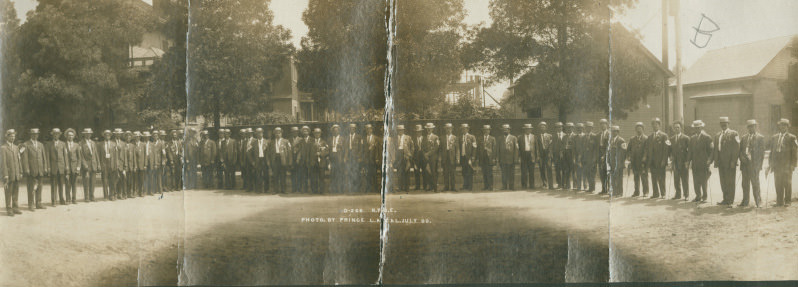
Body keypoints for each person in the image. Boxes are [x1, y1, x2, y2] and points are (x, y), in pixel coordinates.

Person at [767, 119, 796, 207]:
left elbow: (794, 153)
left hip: (787, 165)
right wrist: (770, 163)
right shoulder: (774, 137)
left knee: (787, 183)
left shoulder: (792, 137)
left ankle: (787, 201)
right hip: (777, 165)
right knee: (778, 183)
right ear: (779, 126)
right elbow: (772, 151)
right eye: (781, 125)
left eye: (785, 125)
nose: (783, 127)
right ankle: (779, 201)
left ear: (787, 126)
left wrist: (793, 165)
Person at [714, 116, 740, 206]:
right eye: (722, 123)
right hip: (721, 162)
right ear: (720, 124)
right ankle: (725, 199)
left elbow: (736, 148)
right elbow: (716, 149)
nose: (723, 125)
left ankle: (730, 200)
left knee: (730, 181)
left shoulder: (734, 133)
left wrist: (733, 161)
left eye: (725, 123)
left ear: (728, 123)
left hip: (730, 163)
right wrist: (716, 161)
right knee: (723, 181)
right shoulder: (717, 135)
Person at [739, 119, 765, 207]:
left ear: (756, 127)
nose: (751, 128)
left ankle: (758, 202)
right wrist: (742, 158)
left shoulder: (760, 138)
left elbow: (762, 154)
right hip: (745, 165)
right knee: (745, 184)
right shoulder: (744, 138)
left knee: (755, 184)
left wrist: (759, 166)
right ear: (747, 128)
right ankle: (745, 201)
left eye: (752, 126)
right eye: (749, 127)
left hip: (754, 165)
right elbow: (740, 151)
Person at [22, 128, 48, 210]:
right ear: (30, 135)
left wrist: (45, 167)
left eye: (36, 134)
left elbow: (44, 157)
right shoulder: (26, 144)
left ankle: (38, 203)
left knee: (39, 187)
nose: (35, 136)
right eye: (33, 134)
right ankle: (31, 204)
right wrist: (26, 169)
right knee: (31, 187)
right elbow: (25, 158)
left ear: (38, 135)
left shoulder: (41, 145)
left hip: (40, 169)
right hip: (31, 169)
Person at [688, 120, 713, 202]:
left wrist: (709, 160)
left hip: (703, 163)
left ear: (701, 127)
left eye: (698, 127)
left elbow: (711, 151)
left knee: (703, 180)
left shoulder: (707, 137)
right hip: (695, 163)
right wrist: (688, 161)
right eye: (695, 128)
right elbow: (690, 151)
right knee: (696, 180)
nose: (697, 129)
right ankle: (698, 196)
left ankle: (705, 197)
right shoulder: (692, 138)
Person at [2, 129, 23, 216]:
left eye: (14, 136)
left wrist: (20, 171)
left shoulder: (16, 147)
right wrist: (5, 174)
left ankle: (15, 207)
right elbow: (3, 163)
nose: (13, 138)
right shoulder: (3, 148)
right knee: (8, 192)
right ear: (7, 137)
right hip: (9, 174)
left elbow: (19, 160)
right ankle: (9, 209)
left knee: (15, 191)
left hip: (16, 173)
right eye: (11, 136)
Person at [647, 118, 669, 198]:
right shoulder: (650, 137)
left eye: (656, 124)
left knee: (661, 177)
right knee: (653, 177)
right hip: (652, 161)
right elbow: (648, 149)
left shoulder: (664, 136)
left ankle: (663, 193)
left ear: (659, 125)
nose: (654, 126)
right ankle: (655, 193)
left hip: (660, 161)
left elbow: (666, 149)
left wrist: (664, 160)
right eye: (653, 124)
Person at [670, 122, 690, 200]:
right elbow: (670, 150)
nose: (677, 129)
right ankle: (678, 194)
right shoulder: (671, 139)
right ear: (673, 129)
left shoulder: (686, 138)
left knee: (684, 179)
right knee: (676, 179)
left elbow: (689, 151)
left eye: (678, 127)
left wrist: (687, 161)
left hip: (683, 162)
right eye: (675, 128)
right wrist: (671, 158)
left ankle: (686, 195)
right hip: (675, 162)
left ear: (681, 128)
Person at [47, 128, 68, 205]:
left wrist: (66, 166)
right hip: (53, 167)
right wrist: (48, 167)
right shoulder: (49, 144)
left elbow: (65, 156)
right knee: (53, 184)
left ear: (59, 135)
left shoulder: (63, 144)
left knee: (61, 184)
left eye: (57, 134)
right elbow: (47, 157)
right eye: (55, 134)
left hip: (61, 167)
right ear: (52, 135)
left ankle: (62, 199)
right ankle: (54, 200)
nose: (56, 135)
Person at [628, 122, 649, 197]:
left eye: (640, 128)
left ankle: (645, 192)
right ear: (635, 130)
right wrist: (629, 156)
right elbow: (629, 149)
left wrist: (644, 158)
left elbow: (647, 150)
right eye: (637, 128)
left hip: (643, 162)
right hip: (635, 161)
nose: (638, 130)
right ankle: (636, 192)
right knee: (636, 177)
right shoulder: (632, 139)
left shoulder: (646, 138)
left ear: (643, 129)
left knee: (644, 177)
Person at [270, 127, 292, 193]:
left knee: (283, 175)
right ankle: (275, 190)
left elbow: (289, 152)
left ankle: (283, 190)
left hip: (283, 159)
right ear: (274, 134)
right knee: (275, 175)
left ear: (281, 133)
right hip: (275, 159)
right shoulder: (272, 142)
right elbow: (269, 152)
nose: (277, 134)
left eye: (279, 133)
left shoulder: (286, 141)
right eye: (276, 133)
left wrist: (289, 162)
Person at [79, 129, 99, 201]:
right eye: (87, 134)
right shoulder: (81, 143)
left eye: (89, 134)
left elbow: (96, 154)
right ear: (84, 134)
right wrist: (84, 165)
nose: (88, 135)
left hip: (93, 164)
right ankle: (86, 197)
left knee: (93, 181)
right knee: (86, 181)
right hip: (86, 165)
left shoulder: (93, 143)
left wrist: (98, 164)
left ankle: (92, 196)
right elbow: (81, 156)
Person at [497, 124, 518, 190]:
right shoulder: (500, 138)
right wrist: (498, 158)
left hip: (511, 159)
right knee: (504, 173)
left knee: (511, 173)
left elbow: (516, 149)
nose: (505, 131)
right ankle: (504, 186)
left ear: (509, 130)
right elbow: (498, 149)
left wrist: (515, 158)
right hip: (503, 159)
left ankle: (511, 186)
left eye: (506, 129)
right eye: (503, 129)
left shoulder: (513, 138)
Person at [308, 128, 328, 194]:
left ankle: (322, 190)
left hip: (321, 161)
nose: (317, 134)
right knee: (313, 177)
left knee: (321, 176)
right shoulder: (310, 142)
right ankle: (314, 190)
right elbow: (308, 152)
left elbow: (327, 151)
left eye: (318, 133)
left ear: (320, 134)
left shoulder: (324, 142)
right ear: (314, 134)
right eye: (316, 133)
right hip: (313, 162)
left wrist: (321, 154)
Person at [609, 125, 627, 196]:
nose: (613, 133)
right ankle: (614, 191)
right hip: (612, 162)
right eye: (612, 131)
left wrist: (622, 162)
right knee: (613, 178)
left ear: (618, 132)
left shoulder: (621, 140)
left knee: (619, 178)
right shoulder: (610, 140)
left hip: (619, 163)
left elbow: (624, 152)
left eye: (615, 131)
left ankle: (620, 192)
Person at [344, 123, 363, 193]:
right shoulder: (346, 137)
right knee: (349, 172)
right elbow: (345, 148)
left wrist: (359, 157)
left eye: (353, 128)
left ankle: (357, 188)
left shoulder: (359, 137)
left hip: (356, 157)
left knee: (356, 172)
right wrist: (345, 157)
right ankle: (351, 188)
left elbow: (361, 148)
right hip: (349, 157)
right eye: (350, 128)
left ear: (355, 129)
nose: (351, 130)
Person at [64, 129, 81, 204]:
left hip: (75, 167)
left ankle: (74, 199)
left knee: (74, 184)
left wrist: (78, 167)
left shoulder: (76, 145)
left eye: (71, 135)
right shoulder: (64, 145)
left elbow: (79, 158)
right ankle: (68, 199)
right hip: (67, 167)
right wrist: (66, 167)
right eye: (69, 135)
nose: (70, 137)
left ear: (74, 136)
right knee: (67, 184)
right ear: (66, 136)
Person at [441, 123, 459, 191]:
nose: (448, 130)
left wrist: (457, 158)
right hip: (445, 157)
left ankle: (453, 187)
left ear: (452, 129)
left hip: (452, 157)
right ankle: (446, 187)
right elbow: (440, 149)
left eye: (450, 128)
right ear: (445, 129)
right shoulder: (442, 138)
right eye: (447, 129)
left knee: (452, 173)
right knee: (445, 173)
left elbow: (457, 149)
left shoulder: (455, 137)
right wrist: (440, 158)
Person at [478, 125, 497, 191]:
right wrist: (478, 158)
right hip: (483, 158)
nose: (486, 131)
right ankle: (485, 186)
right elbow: (478, 149)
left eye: (487, 130)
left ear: (489, 131)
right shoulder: (480, 138)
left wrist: (494, 158)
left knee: (490, 173)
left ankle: (491, 186)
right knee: (484, 173)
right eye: (485, 130)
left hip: (489, 158)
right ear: (483, 131)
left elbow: (494, 149)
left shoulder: (492, 138)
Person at [251, 128, 269, 193]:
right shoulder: (253, 143)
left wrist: (269, 161)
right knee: (258, 175)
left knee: (266, 175)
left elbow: (270, 152)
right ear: (256, 134)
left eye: (260, 133)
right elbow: (249, 153)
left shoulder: (267, 142)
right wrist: (252, 161)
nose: (259, 134)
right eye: (258, 133)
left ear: (263, 133)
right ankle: (259, 189)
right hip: (257, 160)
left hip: (264, 160)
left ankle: (266, 189)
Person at [363, 124, 381, 193]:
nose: (368, 130)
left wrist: (377, 158)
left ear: (372, 130)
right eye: (367, 129)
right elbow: (363, 149)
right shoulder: (364, 138)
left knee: (374, 174)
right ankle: (368, 188)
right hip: (367, 159)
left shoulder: (376, 138)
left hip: (374, 159)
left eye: (370, 129)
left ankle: (375, 188)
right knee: (368, 174)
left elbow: (378, 149)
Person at [519, 124, 537, 189]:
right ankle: (524, 185)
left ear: (531, 130)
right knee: (524, 171)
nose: (528, 130)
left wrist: (536, 156)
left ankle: (532, 185)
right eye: (526, 129)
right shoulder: (520, 137)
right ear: (524, 130)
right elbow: (518, 148)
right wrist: (519, 157)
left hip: (531, 155)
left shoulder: (534, 136)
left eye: (529, 129)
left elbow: (536, 147)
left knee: (531, 171)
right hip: (523, 155)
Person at [582, 122, 599, 192]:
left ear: (592, 128)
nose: (588, 129)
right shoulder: (583, 137)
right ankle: (590, 188)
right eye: (587, 127)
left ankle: (593, 188)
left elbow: (596, 148)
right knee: (587, 173)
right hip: (585, 159)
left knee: (592, 174)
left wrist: (595, 158)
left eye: (590, 127)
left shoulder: (595, 136)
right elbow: (582, 148)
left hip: (592, 159)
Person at [423, 123, 440, 192]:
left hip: (433, 157)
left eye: (430, 129)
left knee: (433, 172)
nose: (429, 130)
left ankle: (435, 187)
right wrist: (425, 154)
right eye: (427, 129)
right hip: (426, 157)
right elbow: (422, 147)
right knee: (427, 172)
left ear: (432, 129)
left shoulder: (436, 137)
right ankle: (430, 186)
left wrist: (428, 154)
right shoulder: (424, 137)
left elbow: (436, 147)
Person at [460, 124, 477, 191]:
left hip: (469, 157)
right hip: (463, 157)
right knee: (464, 171)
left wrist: (473, 156)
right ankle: (465, 186)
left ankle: (470, 186)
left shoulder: (472, 137)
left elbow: (474, 147)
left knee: (469, 171)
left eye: (465, 128)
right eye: (462, 129)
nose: (463, 130)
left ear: (467, 129)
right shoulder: (460, 137)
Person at [537, 122, 554, 189]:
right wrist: (538, 155)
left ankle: (551, 185)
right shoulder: (537, 136)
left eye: (543, 127)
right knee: (542, 169)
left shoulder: (550, 136)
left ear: (546, 128)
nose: (542, 128)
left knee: (549, 168)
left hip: (547, 154)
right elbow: (537, 146)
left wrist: (550, 154)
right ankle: (544, 183)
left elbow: (551, 146)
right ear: (539, 128)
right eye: (541, 127)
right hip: (541, 155)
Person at [112, 129, 128, 200]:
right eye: (117, 133)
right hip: (114, 164)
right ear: (115, 134)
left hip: (121, 164)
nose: (118, 135)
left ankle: (120, 194)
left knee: (122, 180)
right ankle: (114, 194)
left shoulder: (123, 143)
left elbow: (125, 155)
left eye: (119, 134)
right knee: (114, 180)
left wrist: (125, 166)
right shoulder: (112, 143)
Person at [132, 131, 147, 197]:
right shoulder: (132, 144)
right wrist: (134, 165)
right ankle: (135, 192)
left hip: (142, 165)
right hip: (135, 165)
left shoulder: (143, 144)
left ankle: (141, 192)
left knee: (141, 179)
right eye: (136, 137)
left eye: (138, 137)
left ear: (140, 137)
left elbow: (145, 155)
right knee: (135, 179)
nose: (137, 138)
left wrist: (145, 164)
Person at [552, 122, 565, 189]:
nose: (559, 128)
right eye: (557, 127)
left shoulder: (565, 135)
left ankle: (564, 183)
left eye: (560, 127)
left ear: (562, 127)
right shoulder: (553, 136)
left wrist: (562, 152)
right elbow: (552, 146)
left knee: (564, 170)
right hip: (556, 156)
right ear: (555, 128)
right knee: (557, 170)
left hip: (564, 156)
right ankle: (559, 183)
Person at [561, 123, 575, 190]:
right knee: (567, 170)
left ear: (572, 128)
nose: (569, 129)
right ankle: (567, 185)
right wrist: (562, 152)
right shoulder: (564, 137)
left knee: (574, 171)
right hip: (565, 155)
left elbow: (576, 147)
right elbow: (562, 146)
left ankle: (575, 186)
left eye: (570, 127)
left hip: (572, 155)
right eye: (567, 128)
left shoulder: (575, 136)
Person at [598, 119, 610, 193]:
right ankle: (603, 189)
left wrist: (605, 155)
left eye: (604, 124)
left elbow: (609, 147)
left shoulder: (609, 134)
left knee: (607, 173)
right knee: (601, 174)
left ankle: (609, 189)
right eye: (601, 124)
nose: (602, 125)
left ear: (607, 125)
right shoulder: (598, 135)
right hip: (600, 156)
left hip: (607, 156)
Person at [412, 125, 425, 191]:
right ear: (415, 132)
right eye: (417, 132)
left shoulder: (425, 138)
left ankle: (425, 186)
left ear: (421, 132)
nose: (418, 133)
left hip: (423, 158)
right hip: (416, 159)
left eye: (420, 132)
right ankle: (417, 186)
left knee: (424, 172)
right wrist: (413, 159)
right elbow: (412, 149)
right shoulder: (413, 139)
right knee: (416, 172)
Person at [573, 123, 584, 190]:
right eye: (578, 128)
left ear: (583, 129)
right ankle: (579, 186)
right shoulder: (575, 137)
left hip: (584, 156)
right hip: (577, 156)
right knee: (578, 172)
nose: (579, 129)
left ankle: (585, 186)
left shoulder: (585, 136)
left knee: (585, 172)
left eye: (581, 128)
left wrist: (582, 155)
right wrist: (575, 157)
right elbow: (574, 148)